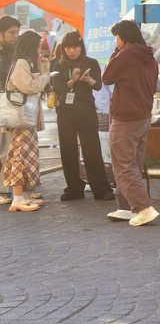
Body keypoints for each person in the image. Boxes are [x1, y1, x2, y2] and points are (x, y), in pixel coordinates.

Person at [102, 20, 160, 227]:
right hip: (143, 116)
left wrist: (115, 53)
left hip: (125, 118)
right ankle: (126, 208)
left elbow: (106, 77)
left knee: (124, 166)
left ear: (123, 37)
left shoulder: (125, 54)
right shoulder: (150, 57)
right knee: (133, 164)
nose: (115, 41)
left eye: (116, 37)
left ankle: (143, 208)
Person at [52, 31, 115, 202]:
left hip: (86, 109)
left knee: (91, 148)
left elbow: (98, 86)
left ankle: (101, 188)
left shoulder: (91, 62)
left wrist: (88, 80)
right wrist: (72, 81)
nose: (72, 51)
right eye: (68, 47)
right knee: (68, 150)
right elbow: (56, 88)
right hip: (65, 110)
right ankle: (74, 188)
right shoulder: (58, 65)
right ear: (63, 49)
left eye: (75, 47)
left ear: (81, 47)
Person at [3, 30, 50, 212]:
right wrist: (45, 78)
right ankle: (17, 198)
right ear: (30, 46)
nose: (39, 50)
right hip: (21, 118)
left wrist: (44, 72)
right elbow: (29, 87)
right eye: (37, 46)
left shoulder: (25, 62)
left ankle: (21, 196)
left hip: (25, 118)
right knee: (20, 156)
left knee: (23, 154)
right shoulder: (21, 63)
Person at [0, 15, 22, 205]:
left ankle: (10, 188)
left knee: (9, 148)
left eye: (17, 32)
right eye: (11, 32)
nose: (15, 36)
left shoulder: (17, 52)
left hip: (11, 105)